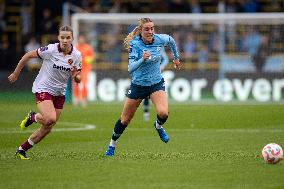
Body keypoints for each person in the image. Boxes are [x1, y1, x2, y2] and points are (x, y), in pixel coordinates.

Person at [104, 18, 182, 156]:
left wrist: (176, 58)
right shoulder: (136, 45)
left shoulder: (160, 39)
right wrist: (142, 59)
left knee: (163, 113)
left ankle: (158, 126)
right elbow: (130, 68)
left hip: (156, 83)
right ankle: (112, 145)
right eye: (147, 29)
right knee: (125, 120)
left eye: (152, 28)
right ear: (140, 31)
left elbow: (171, 41)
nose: (150, 31)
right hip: (138, 85)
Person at [8, 25, 82, 160]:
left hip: (60, 92)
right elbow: (28, 55)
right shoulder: (51, 50)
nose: (65, 40)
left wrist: (75, 76)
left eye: (68, 37)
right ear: (59, 38)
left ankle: (22, 149)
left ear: (72, 38)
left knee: (48, 126)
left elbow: (78, 78)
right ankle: (34, 117)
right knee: (50, 118)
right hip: (44, 88)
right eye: (62, 37)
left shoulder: (77, 55)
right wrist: (16, 72)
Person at [143, 49, 169, 121]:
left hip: (157, 74)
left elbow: (166, 59)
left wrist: (162, 66)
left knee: (159, 92)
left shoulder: (159, 47)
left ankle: (162, 112)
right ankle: (146, 112)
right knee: (146, 92)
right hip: (147, 73)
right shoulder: (144, 47)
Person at [73, 34, 94, 107]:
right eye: (80, 39)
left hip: (85, 69)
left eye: (82, 39)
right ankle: (76, 99)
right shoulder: (75, 48)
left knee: (84, 84)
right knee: (76, 84)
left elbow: (91, 57)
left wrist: (86, 60)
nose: (81, 40)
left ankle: (83, 99)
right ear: (78, 39)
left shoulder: (88, 47)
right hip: (77, 69)